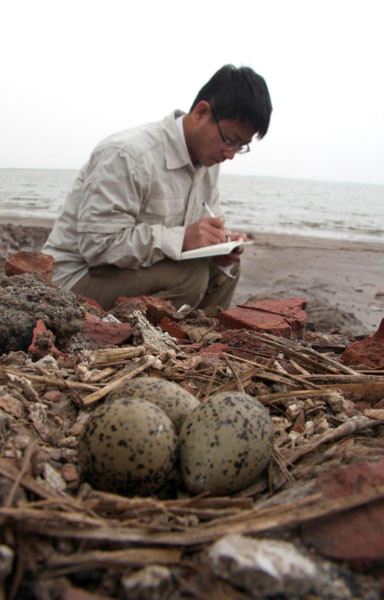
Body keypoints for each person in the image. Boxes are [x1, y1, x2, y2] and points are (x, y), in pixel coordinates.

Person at [44, 64, 272, 311]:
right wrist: (183, 238)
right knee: (189, 278)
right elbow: (99, 246)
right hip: (75, 278)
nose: (231, 155)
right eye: (230, 140)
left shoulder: (208, 163)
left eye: (241, 146)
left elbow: (205, 224)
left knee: (226, 269)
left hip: (126, 270)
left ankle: (200, 341)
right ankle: (152, 340)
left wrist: (220, 243)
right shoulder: (128, 154)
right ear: (201, 112)